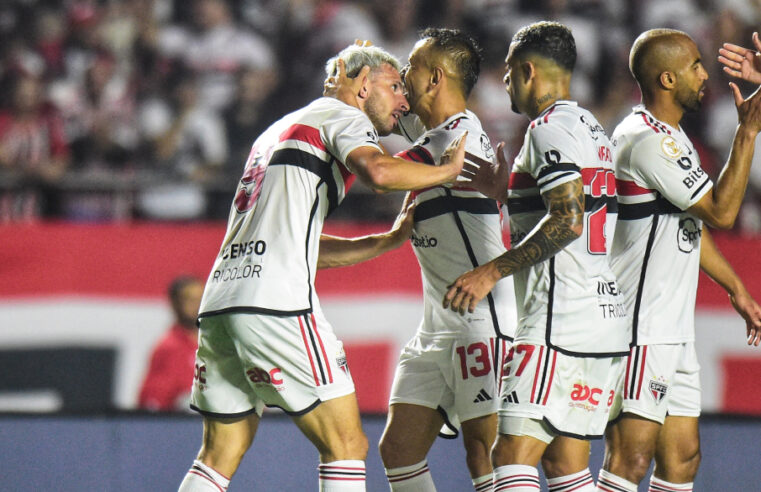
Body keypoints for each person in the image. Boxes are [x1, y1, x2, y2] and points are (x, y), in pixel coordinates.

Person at [177, 43, 468, 492]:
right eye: (395, 87)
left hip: (222, 303)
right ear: (362, 83)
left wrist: (384, 242)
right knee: (346, 444)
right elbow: (379, 173)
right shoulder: (343, 117)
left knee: (219, 454)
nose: (404, 100)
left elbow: (293, 244)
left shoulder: (276, 131)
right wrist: (447, 171)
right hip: (276, 304)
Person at [443, 21, 628, 492]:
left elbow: (568, 220)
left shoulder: (548, 129)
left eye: (507, 70)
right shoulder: (591, 127)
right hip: (601, 316)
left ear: (527, 70)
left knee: (509, 456)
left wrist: (492, 270)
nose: (503, 81)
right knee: (565, 465)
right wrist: (507, 193)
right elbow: (569, 207)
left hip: (557, 318)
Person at [595, 29, 761, 492]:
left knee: (682, 459)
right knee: (630, 458)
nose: (704, 73)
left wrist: (736, 289)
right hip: (639, 325)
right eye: (694, 66)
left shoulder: (671, 137)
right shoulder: (646, 141)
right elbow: (723, 211)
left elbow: (689, 224)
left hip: (671, 330)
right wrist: (747, 130)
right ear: (667, 78)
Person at [370, 28, 516, 492]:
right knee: (398, 450)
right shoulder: (434, 135)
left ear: (434, 79)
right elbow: (390, 118)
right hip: (436, 325)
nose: (403, 77)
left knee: (485, 453)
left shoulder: (459, 138)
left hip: (481, 320)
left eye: (410, 68)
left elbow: (381, 172)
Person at [138, 275, 204, 412]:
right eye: (190, 300)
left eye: (201, 299)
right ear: (176, 304)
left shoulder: (219, 345)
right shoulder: (169, 348)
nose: (197, 305)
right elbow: (154, 400)